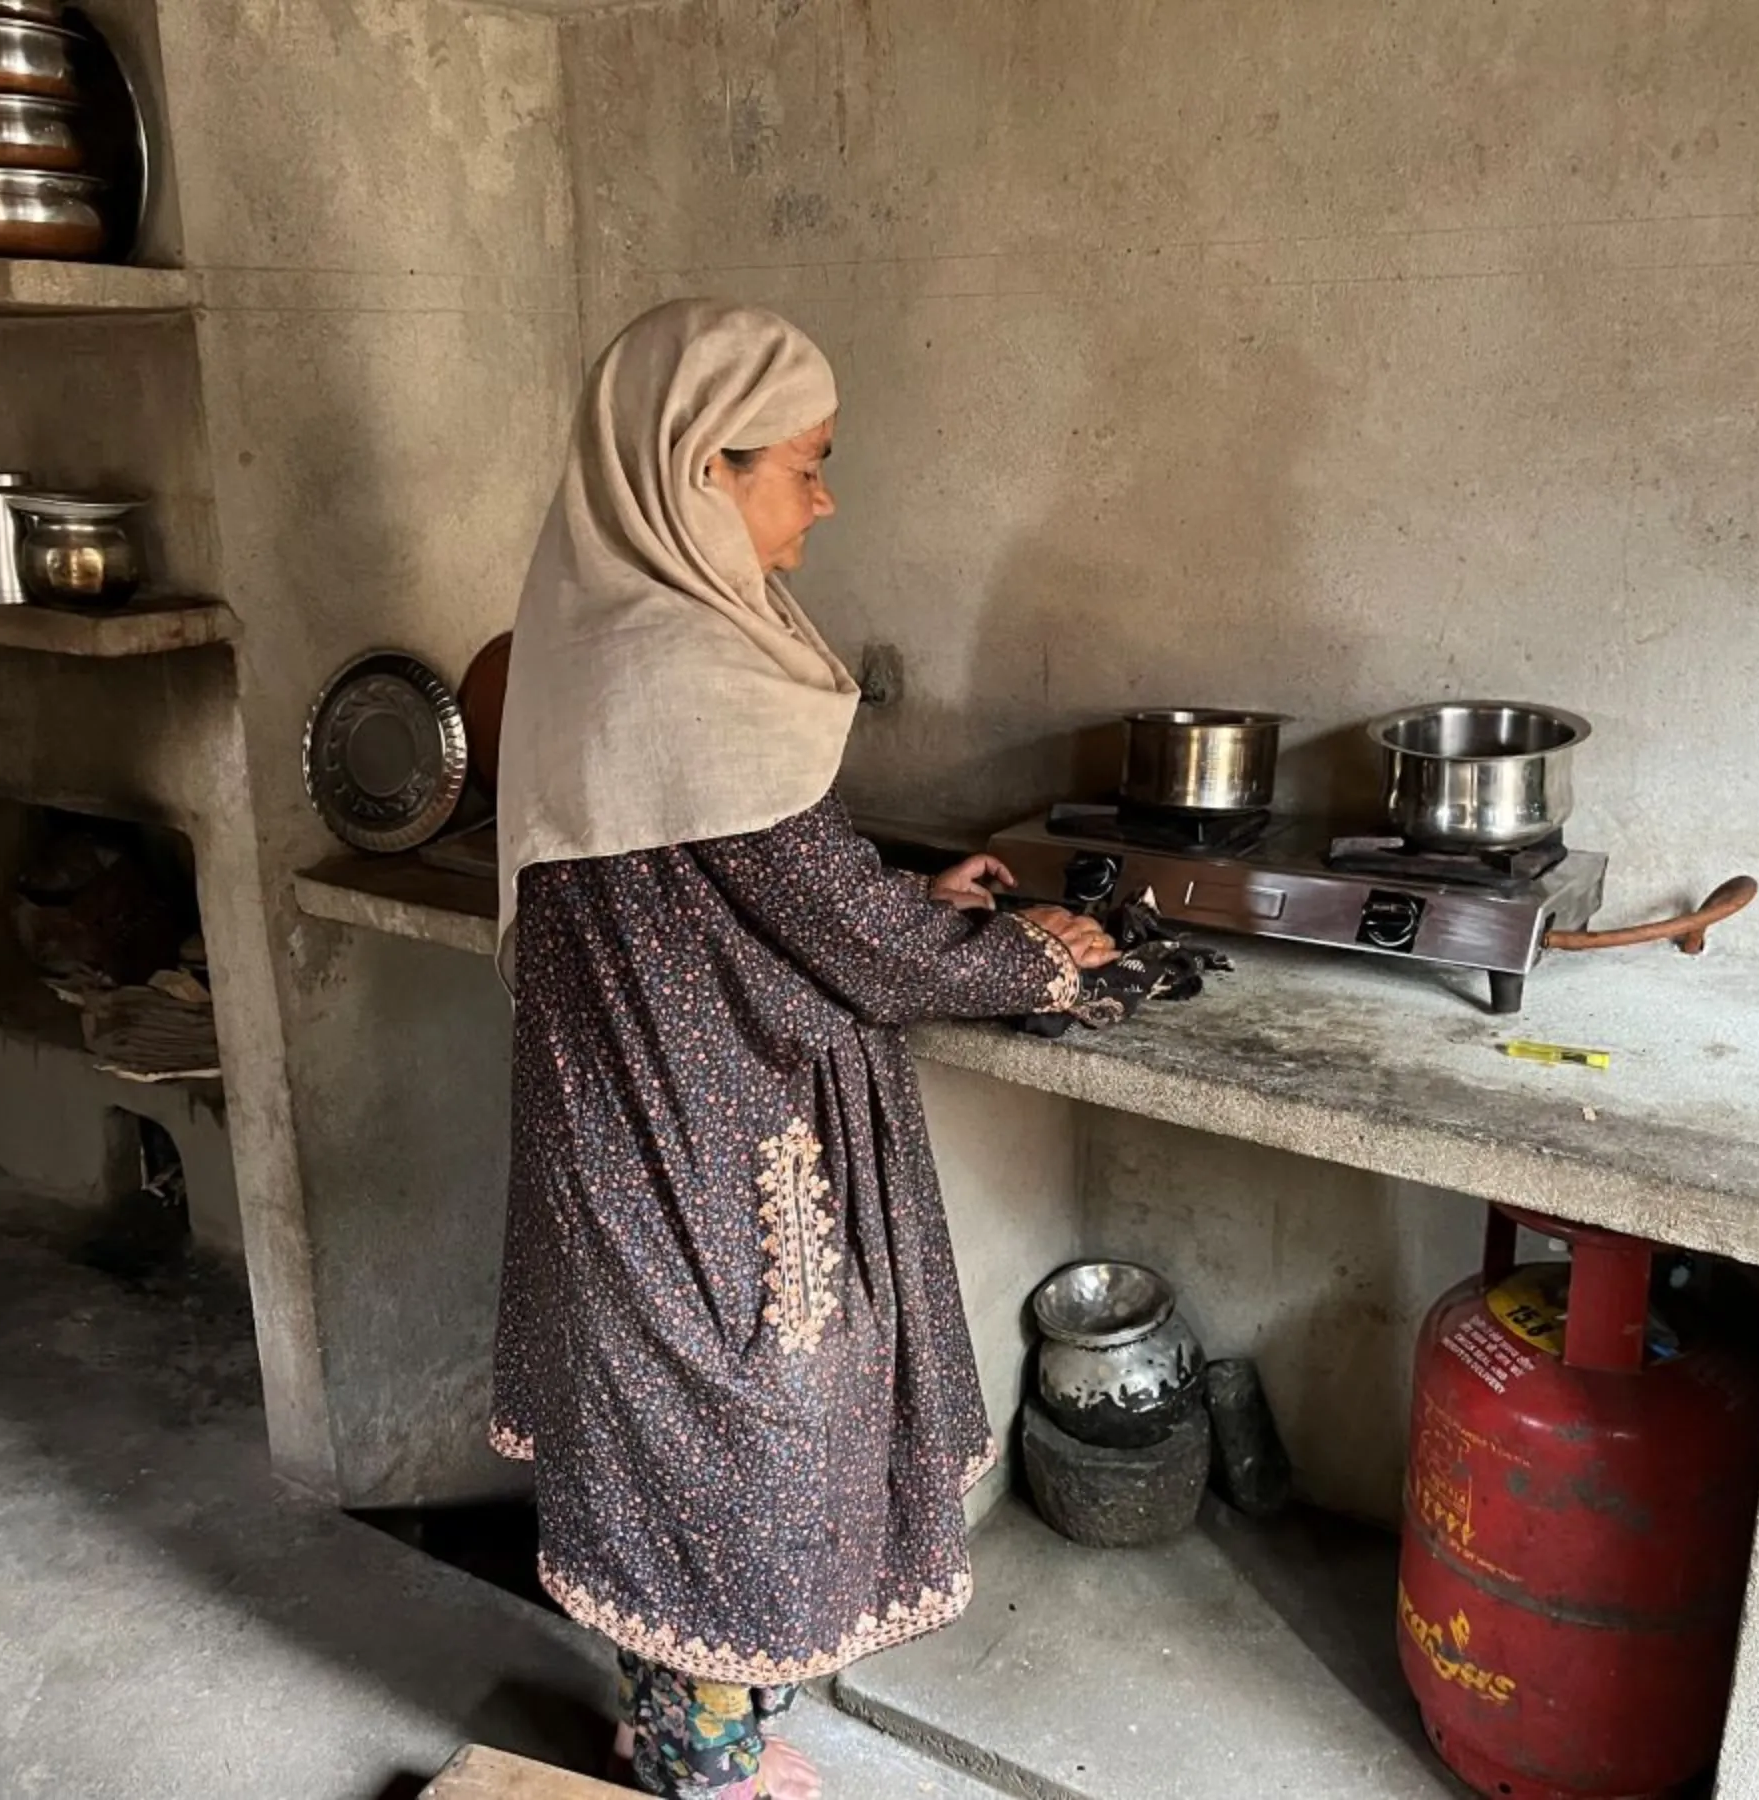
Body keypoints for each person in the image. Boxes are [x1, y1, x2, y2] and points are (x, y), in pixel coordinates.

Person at [488, 299, 1116, 1799]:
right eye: (804, 465)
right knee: (742, 1448)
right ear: (700, 471)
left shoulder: (598, 638)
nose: (823, 501)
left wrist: (900, 889)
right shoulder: (686, 675)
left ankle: (674, 1723)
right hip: (700, 1154)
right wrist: (1033, 958)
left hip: (629, 1137)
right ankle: (710, 1769)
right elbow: (849, 941)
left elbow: (739, 888)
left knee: (666, 1443)